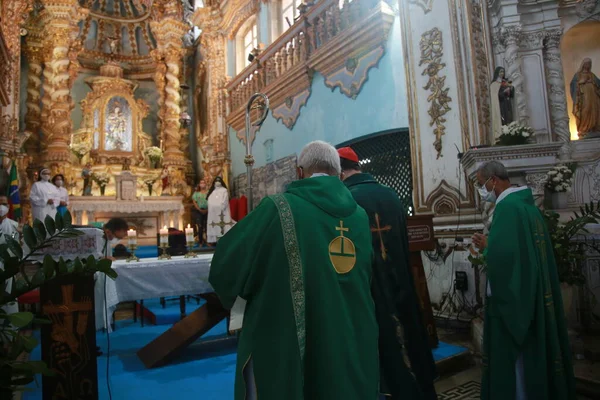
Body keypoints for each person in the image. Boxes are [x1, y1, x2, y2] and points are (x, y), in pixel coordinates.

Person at [209, 140, 379, 400]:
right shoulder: (359, 216)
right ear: (338, 173)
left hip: (288, 337)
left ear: (299, 172)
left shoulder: (277, 209)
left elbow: (227, 263)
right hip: (348, 333)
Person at [338, 147, 438, 400]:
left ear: (339, 172)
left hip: (372, 291)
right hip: (402, 282)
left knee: (385, 344)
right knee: (409, 333)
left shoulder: (347, 200)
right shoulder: (391, 195)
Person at [471, 161, 576, 400]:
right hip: (532, 293)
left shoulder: (507, 208)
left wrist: (487, 247)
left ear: (493, 180)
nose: (482, 190)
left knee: (515, 362)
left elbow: (507, 259)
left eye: (481, 184)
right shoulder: (526, 205)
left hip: (514, 302)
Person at [0, 195, 20, 316]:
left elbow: (17, 248)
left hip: (7, 267)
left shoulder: (15, 226)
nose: (1, 207)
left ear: (8, 206)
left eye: (4, 204)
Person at [570, 58, 600, 137]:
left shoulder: (592, 75)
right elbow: (573, 85)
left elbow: (598, 84)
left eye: (589, 63)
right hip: (583, 97)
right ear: (583, 64)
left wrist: (593, 82)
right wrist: (581, 82)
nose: (588, 65)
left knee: (594, 110)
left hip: (593, 96)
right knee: (585, 110)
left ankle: (594, 128)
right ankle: (583, 129)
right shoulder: (578, 75)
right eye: (587, 63)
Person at [206, 176, 234, 244]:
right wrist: (213, 206)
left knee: (223, 225)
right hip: (213, 213)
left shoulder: (224, 190)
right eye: (216, 181)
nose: (217, 182)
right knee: (214, 225)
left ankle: (224, 239)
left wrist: (219, 206)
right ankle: (214, 240)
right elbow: (209, 200)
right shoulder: (212, 191)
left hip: (222, 212)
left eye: (219, 180)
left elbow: (225, 201)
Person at [490, 66, 514, 140]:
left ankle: (510, 133)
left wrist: (510, 89)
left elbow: (511, 95)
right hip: (501, 105)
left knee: (509, 118)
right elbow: (496, 96)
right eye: (500, 72)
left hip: (507, 104)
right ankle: (503, 136)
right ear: (497, 73)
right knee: (503, 119)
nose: (502, 73)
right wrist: (504, 92)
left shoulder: (505, 82)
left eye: (503, 72)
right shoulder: (494, 84)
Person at [191, 179, 209, 245]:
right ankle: (200, 241)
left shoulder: (208, 192)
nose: (202, 184)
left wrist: (207, 209)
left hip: (208, 210)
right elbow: (194, 202)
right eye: (201, 183)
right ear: (199, 184)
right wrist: (199, 209)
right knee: (200, 226)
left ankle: (208, 241)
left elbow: (211, 201)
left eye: (203, 182)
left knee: (207, 226)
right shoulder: (196, 193)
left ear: (206, 184)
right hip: (199, 211)